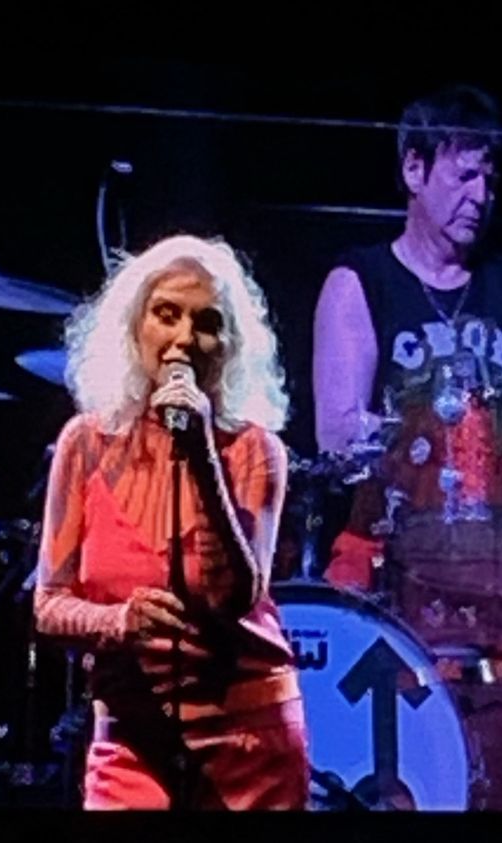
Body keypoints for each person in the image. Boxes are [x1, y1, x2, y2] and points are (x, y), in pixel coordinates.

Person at [312, 85, 502, 811]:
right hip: (394, 583)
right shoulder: (359, 280)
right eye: (465, 175)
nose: (482, 194)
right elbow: (335, 436)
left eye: (491, 177)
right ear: (414, 170)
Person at [34, 234, 309, 810]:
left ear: (229, 347)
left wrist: (202, 449)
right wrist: (119, 622)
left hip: (247, 737)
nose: (185, 338)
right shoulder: (84, 443)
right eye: (167, 315)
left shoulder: (258, 450)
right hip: (132, 735)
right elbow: (50, 604)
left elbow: (236, 594)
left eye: (207, 322)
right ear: (135, 328)